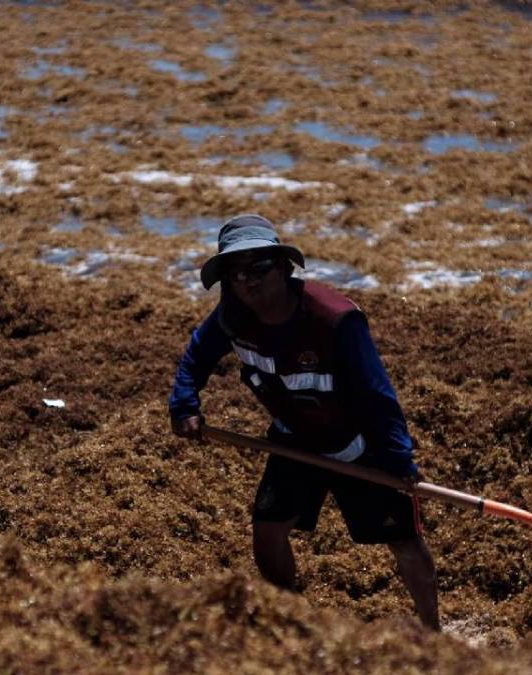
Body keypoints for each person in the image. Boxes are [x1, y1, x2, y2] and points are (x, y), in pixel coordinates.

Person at [168, 214, 440, 630]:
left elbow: (377, 395)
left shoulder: (335, 320)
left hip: (359, 445)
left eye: (259, 268)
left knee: (404, 541)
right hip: (293, 442)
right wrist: (184, 405)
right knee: (268, 531)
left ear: (282, 266)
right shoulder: (231, 316)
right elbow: (196, 356)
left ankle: (432, 630)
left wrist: (398, 462)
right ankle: (296, 623)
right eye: (237, 274)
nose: (249, 282)